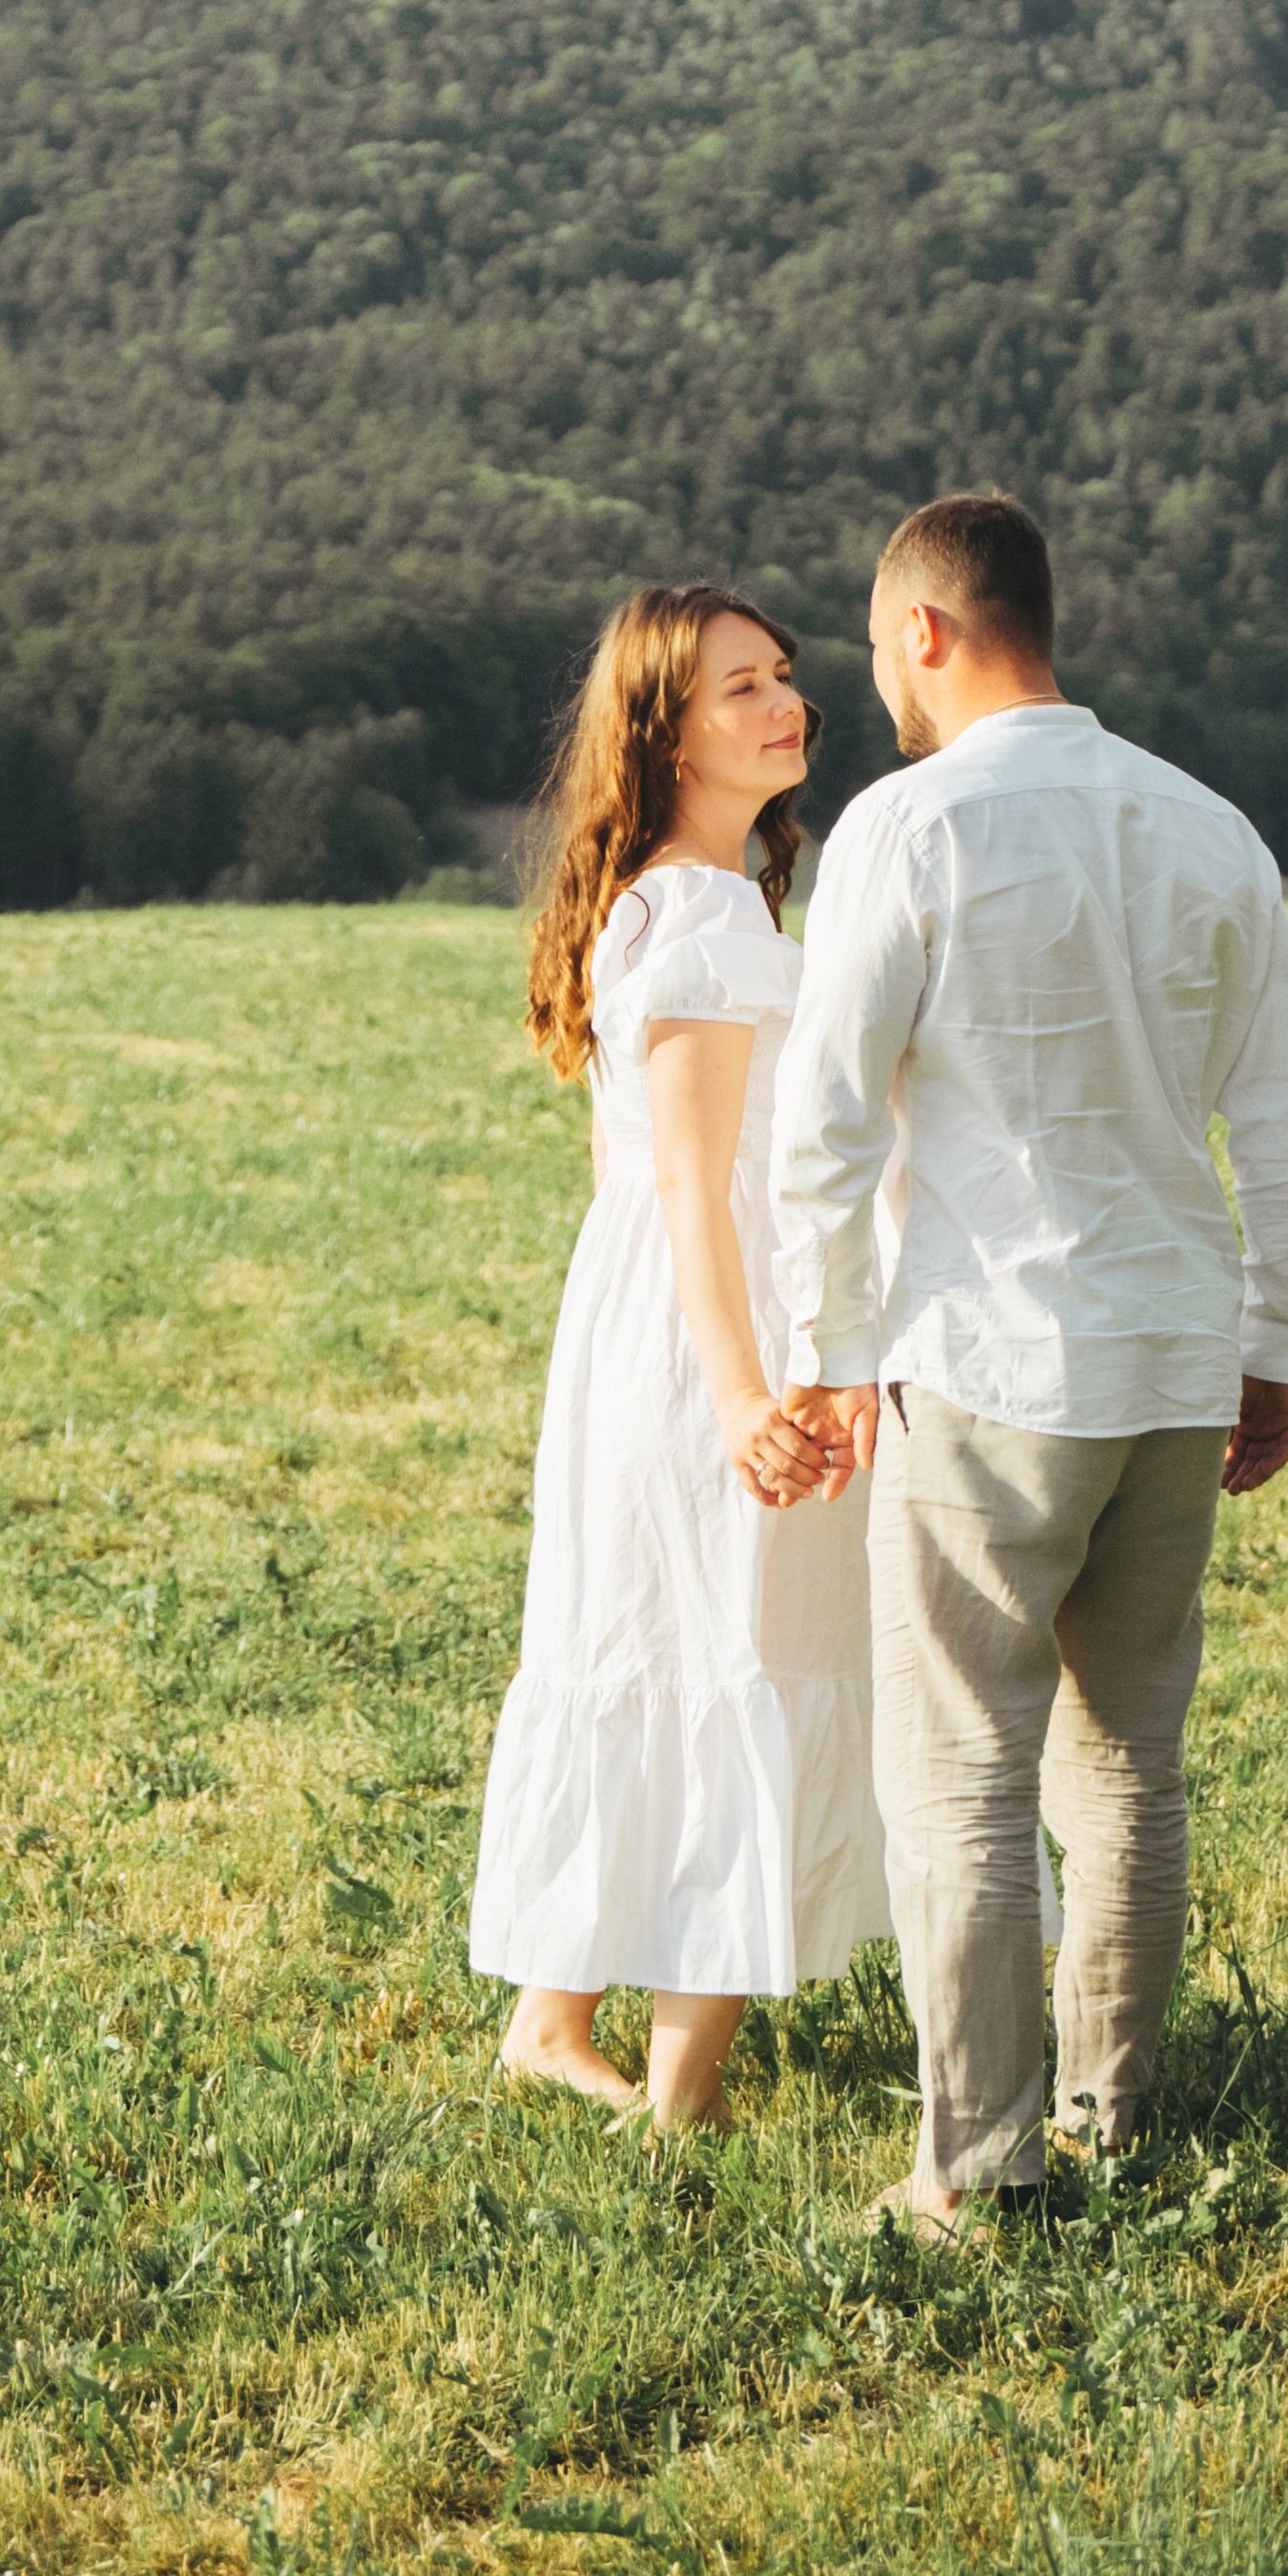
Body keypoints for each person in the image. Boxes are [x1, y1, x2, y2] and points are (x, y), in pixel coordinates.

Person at [752, 492, 1288, 2234]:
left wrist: (833, 1347)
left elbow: (829, 1123)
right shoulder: (1210, 826)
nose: (882, 690)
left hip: (988, 1365)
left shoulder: (906, 829)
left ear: (926, 629)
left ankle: (977, 2164)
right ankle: (1114, 2117)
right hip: (1173, 1362)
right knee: (1127, 1763)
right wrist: (1277, 1341)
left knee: (963, 1770)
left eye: (877, 655)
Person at [466, 584, 897, 2127]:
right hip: (716, 1318)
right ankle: (681, 2092)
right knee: (732, 1651)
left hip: (645, 1315)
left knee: (646, 1639)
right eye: (738, 690)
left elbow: (645, 1182)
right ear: (665, 731)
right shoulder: (706, 912)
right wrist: (739, 1387)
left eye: (783, 676)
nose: (784, 704)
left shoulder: (666, 894)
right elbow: (699, 1177)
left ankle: (549, 2020)